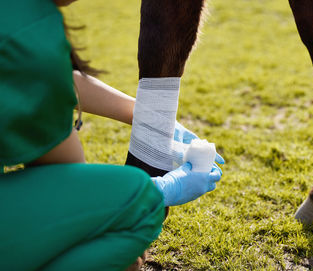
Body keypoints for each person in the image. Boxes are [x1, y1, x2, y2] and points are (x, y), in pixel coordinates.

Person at [0, 0, 223, 270]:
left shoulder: (14, 15)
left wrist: (146, 116)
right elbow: (73, 193)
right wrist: (159, 191)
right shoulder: (31, 27)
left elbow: (39, 75)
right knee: (130, 219)